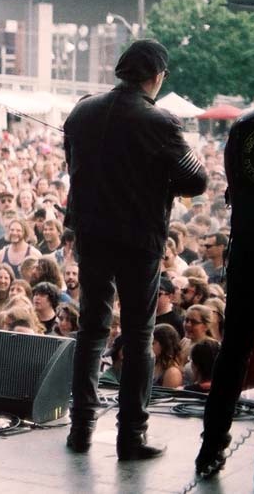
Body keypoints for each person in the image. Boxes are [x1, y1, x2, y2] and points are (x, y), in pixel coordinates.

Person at [63, 39, 207, 460]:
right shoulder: (159, 121)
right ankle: (132, 435)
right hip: (137, 238)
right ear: (157, 76)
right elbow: (196, 181)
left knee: (91, 330)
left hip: (90, 232)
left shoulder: (83, 109)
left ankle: (80, 428)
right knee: (140, 334)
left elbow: (73, 160)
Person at [197, 105, 254, 477]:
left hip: (248, 255)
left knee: (233, 354)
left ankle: (211, 448)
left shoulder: (242, 127)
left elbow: (234, 192)